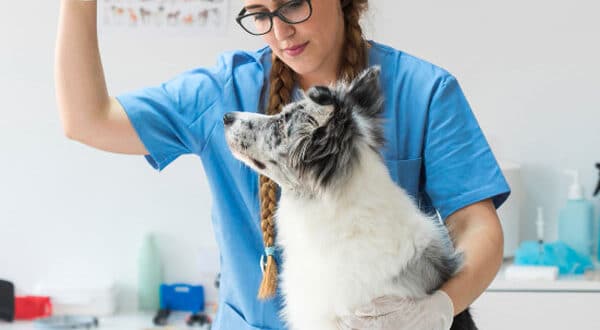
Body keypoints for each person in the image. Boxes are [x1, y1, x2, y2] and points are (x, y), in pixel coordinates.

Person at [55, 0, 510, 329]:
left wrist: (437, 310)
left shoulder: (423, 90)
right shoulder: (224, 90)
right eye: (259, 14)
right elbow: (87, 119)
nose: (279, 32)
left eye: (293, 5)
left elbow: (477, 227)